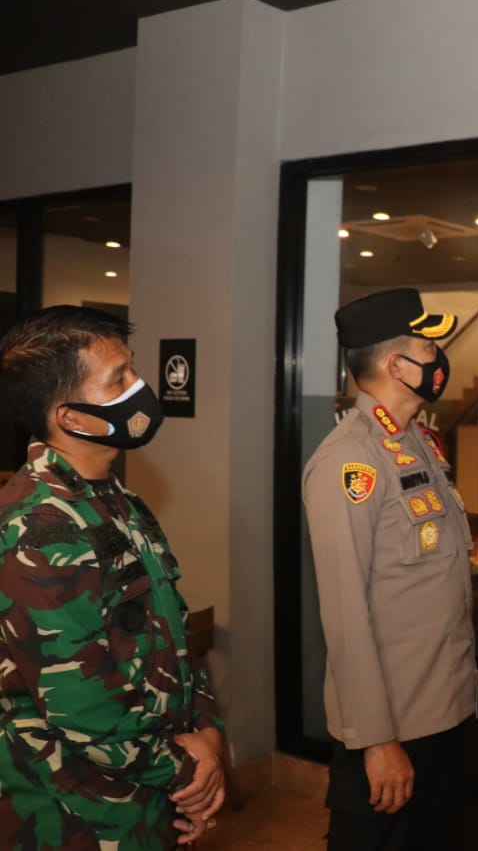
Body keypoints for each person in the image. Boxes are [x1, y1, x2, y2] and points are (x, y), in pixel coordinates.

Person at [0, 305, 226, 850]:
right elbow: (80, 701)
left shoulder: (117, 499)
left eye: (133, 369)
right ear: (72, 418)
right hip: (79, 814)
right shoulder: (37, 527)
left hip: (151, 795)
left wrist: (207, 734)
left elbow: (169, 632)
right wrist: (189, 772)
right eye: (118, 379)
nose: (139, 388)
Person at [302, 288, 474, 851]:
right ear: (397, 366)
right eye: (428, 347)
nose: (438, 358)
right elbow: (345, 613)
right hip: (393, 724)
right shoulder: (350, 459)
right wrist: (376, 741)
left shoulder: (418, 442)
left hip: (443, 708)